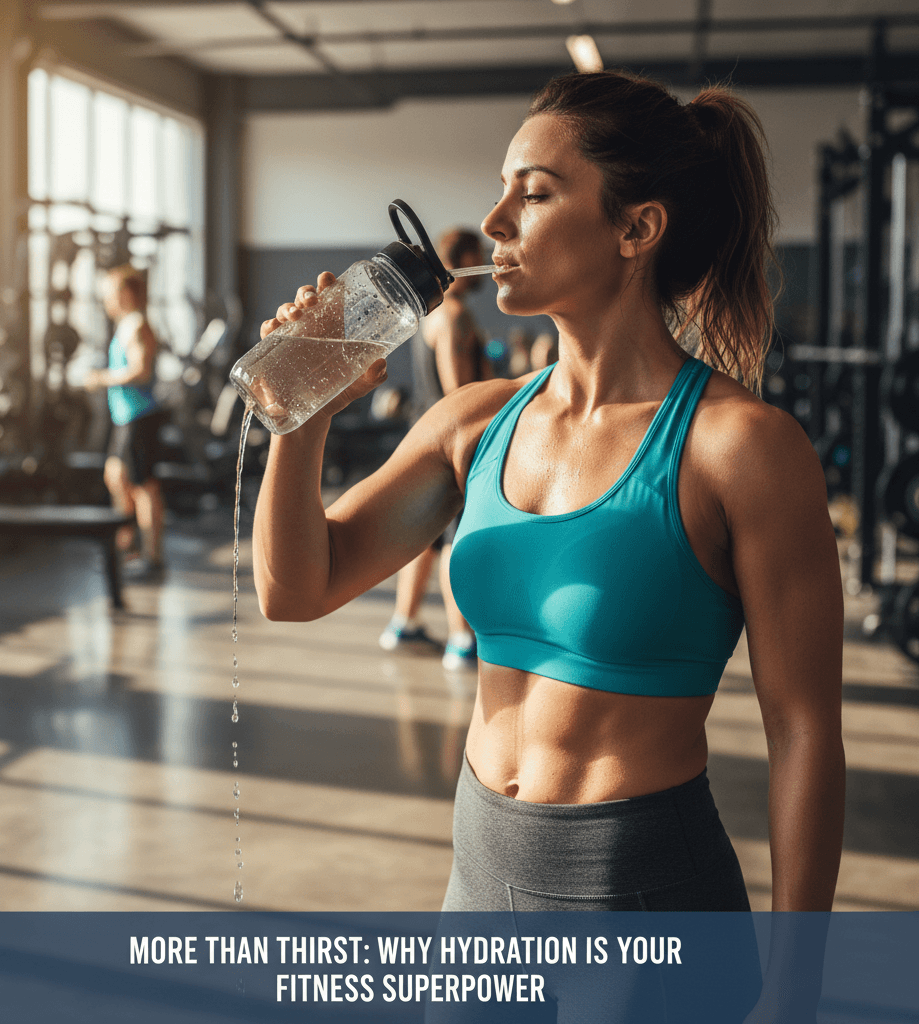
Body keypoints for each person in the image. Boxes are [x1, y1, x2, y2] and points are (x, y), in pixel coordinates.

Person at [252, 69, 844, 997]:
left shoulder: (742, 449)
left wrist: (795, 985)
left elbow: (804, 727)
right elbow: (295, 589)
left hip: (645, 902)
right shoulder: (474, 424)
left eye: (532, 194)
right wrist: (304, 414)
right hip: (478, 886)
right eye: (500, 191)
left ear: (636, 229)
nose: (494, 224)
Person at [379, 228, 492, 670]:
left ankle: (402, 623)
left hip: (426, 430)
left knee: (425, 539)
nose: (485, 258)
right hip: (451, 438)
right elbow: (458, 392)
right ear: (461, 258)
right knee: (453, 537)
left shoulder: (435, 313)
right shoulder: (457, 315)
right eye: (477, 253)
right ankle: (461, 639)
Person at [86, 264, 165, 577]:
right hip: (125, 417)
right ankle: (126, 547)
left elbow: (140, 370)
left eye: (110, 293)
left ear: (127, 293)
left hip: (139, 416)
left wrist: (100, 378)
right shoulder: (125, 325)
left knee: (144, 487)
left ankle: (151, 556)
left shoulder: (137, 325)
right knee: (116, 478)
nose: (106, 299)